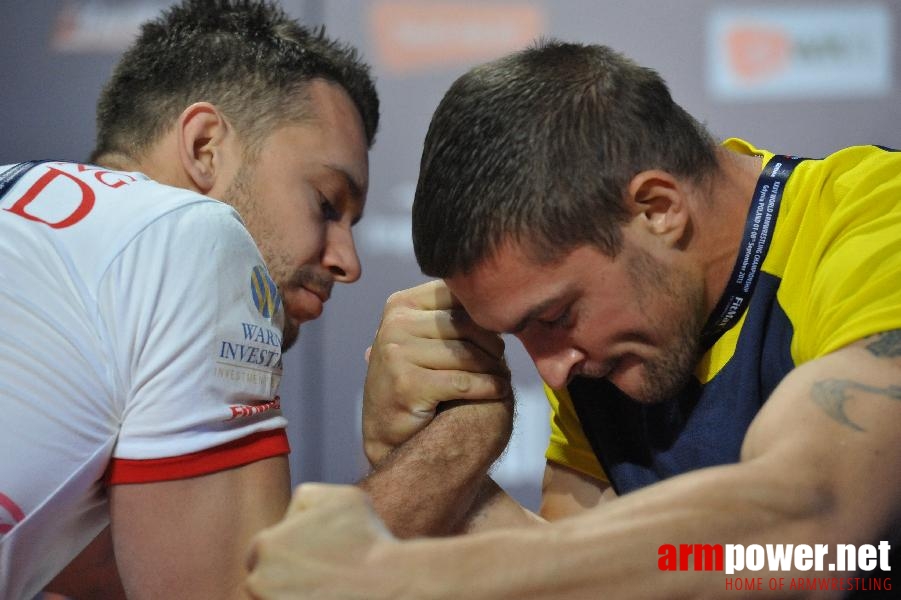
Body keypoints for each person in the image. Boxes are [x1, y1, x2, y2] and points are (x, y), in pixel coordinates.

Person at [245, 40, 900, 598]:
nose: (552, 373)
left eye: (554, 316)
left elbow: (812, 529)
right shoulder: (611, 350)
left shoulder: (874, 220)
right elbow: (583, 572)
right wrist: (436, 451)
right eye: (521, 335)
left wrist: (404, 577)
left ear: (656, 208)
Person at [0, 0, 378, 598]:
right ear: (205, 146)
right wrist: (443, 448)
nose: (346, 261)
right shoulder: (196, 232)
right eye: (327, 202)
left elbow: (123, 568)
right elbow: (235, 592)